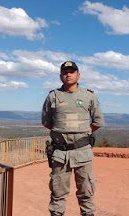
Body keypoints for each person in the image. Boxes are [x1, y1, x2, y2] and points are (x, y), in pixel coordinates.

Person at [42, 61, 105, 216]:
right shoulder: (53, 96)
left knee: (86, 191)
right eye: (65, 72)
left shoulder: (88, 95)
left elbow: (97, 121)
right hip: (60, 153)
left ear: (78, 75)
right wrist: (62, 133)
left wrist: (82, 132)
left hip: (82, 151)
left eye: (72, 71)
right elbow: (47, 122)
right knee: (57, 192)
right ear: (60, 76)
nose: (68, 74)